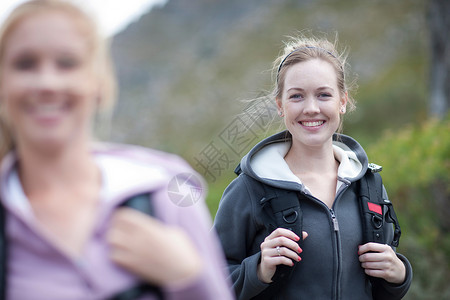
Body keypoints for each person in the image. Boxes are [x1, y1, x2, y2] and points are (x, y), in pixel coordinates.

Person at [0, 0, 233, 299]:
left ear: (99, 83)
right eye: (25, 64)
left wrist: (189, 278)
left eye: (67, 63)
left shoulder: (166, 190)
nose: (47, 82)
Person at [213, 34, 413, 299]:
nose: (311, 108)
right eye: (296, 96)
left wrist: (399, 274)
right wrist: (258, 270)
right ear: (280, 106)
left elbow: (381, 286)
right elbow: (208, 280)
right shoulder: (248, 189)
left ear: (342, 101)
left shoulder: (369, 185)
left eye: (323, 95)